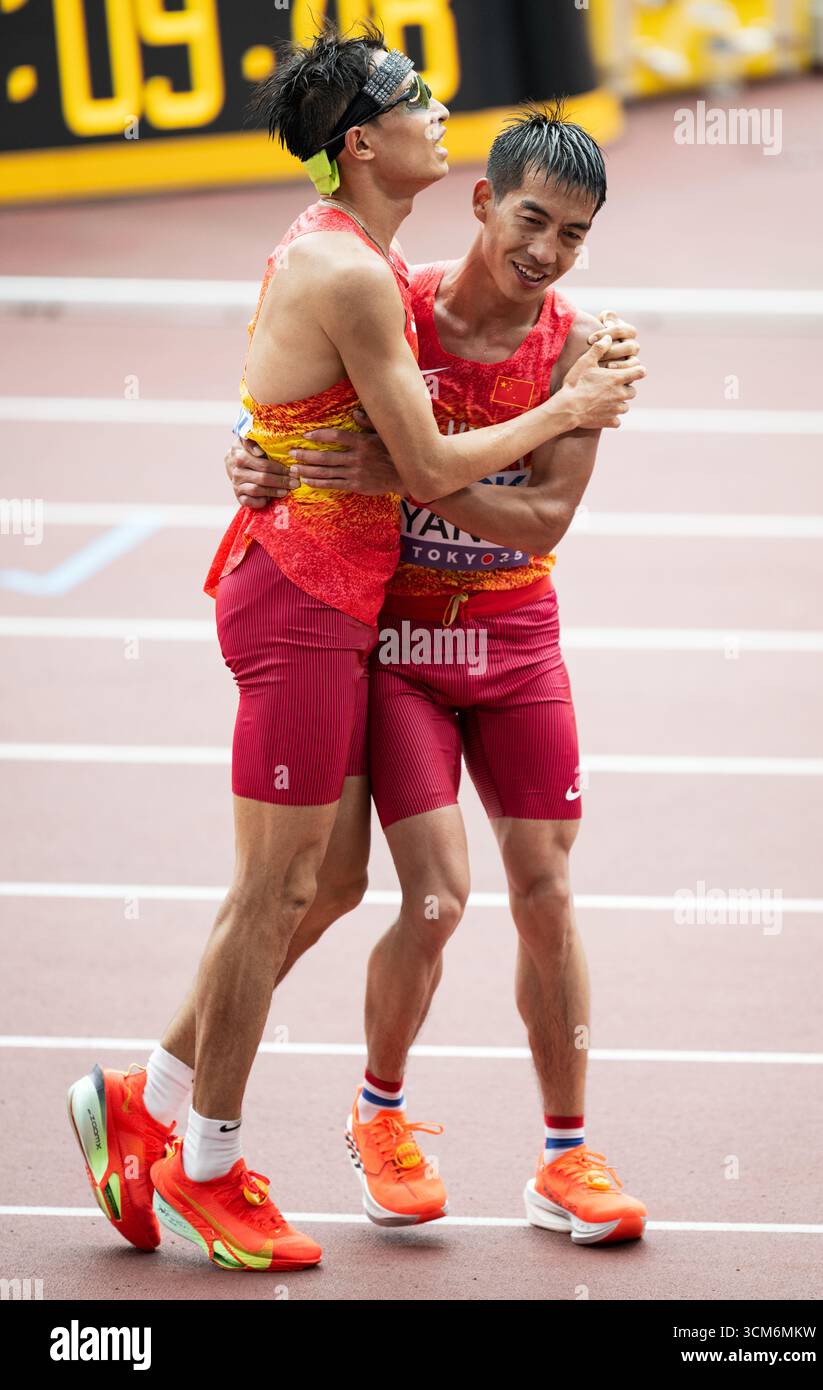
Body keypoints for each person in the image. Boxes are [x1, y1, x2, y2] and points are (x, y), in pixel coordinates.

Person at [66, 26, 642, 1272]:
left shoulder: (364, 260)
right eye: (412, 98)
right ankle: (208, 1165)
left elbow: (303, 401)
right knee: (283, 892)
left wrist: (261, 446)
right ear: (360, 144)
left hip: (356, 599)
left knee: (319, 889)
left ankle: (150, 1107)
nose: (438, 107)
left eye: (574, 234)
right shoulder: (372, 279)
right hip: (317, 603)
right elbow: (418, 458)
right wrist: (562, 408)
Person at [226, 105, 647, 1244]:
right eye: (529, 218)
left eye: (572, 233)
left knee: (548, 896)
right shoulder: (388, 300)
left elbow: (542, 522)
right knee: (435, 897)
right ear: (478, 201)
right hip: (401, 654)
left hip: (513, 646)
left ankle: (563, 1156)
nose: (545, 250)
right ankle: (379, 1114)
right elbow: (283, 402)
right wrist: (253, 450)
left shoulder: (578, 348)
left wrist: (408, 475)